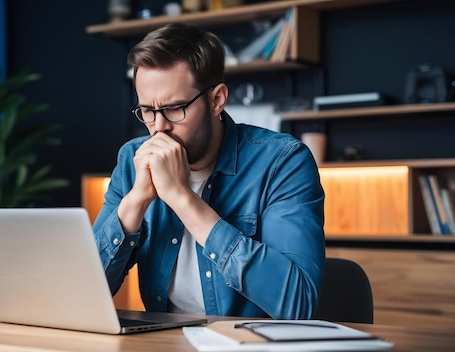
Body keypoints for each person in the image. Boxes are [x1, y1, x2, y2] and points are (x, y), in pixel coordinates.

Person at [92, 23, 325, 320]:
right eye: (148, 111)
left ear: (216, 100)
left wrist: (182, 198)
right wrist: (136, 201)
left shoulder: (283, 162)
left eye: (175, 108)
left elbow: (298, 303)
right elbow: (83, 293)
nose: (159, 127)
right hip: (163, 343)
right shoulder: (131, 160)